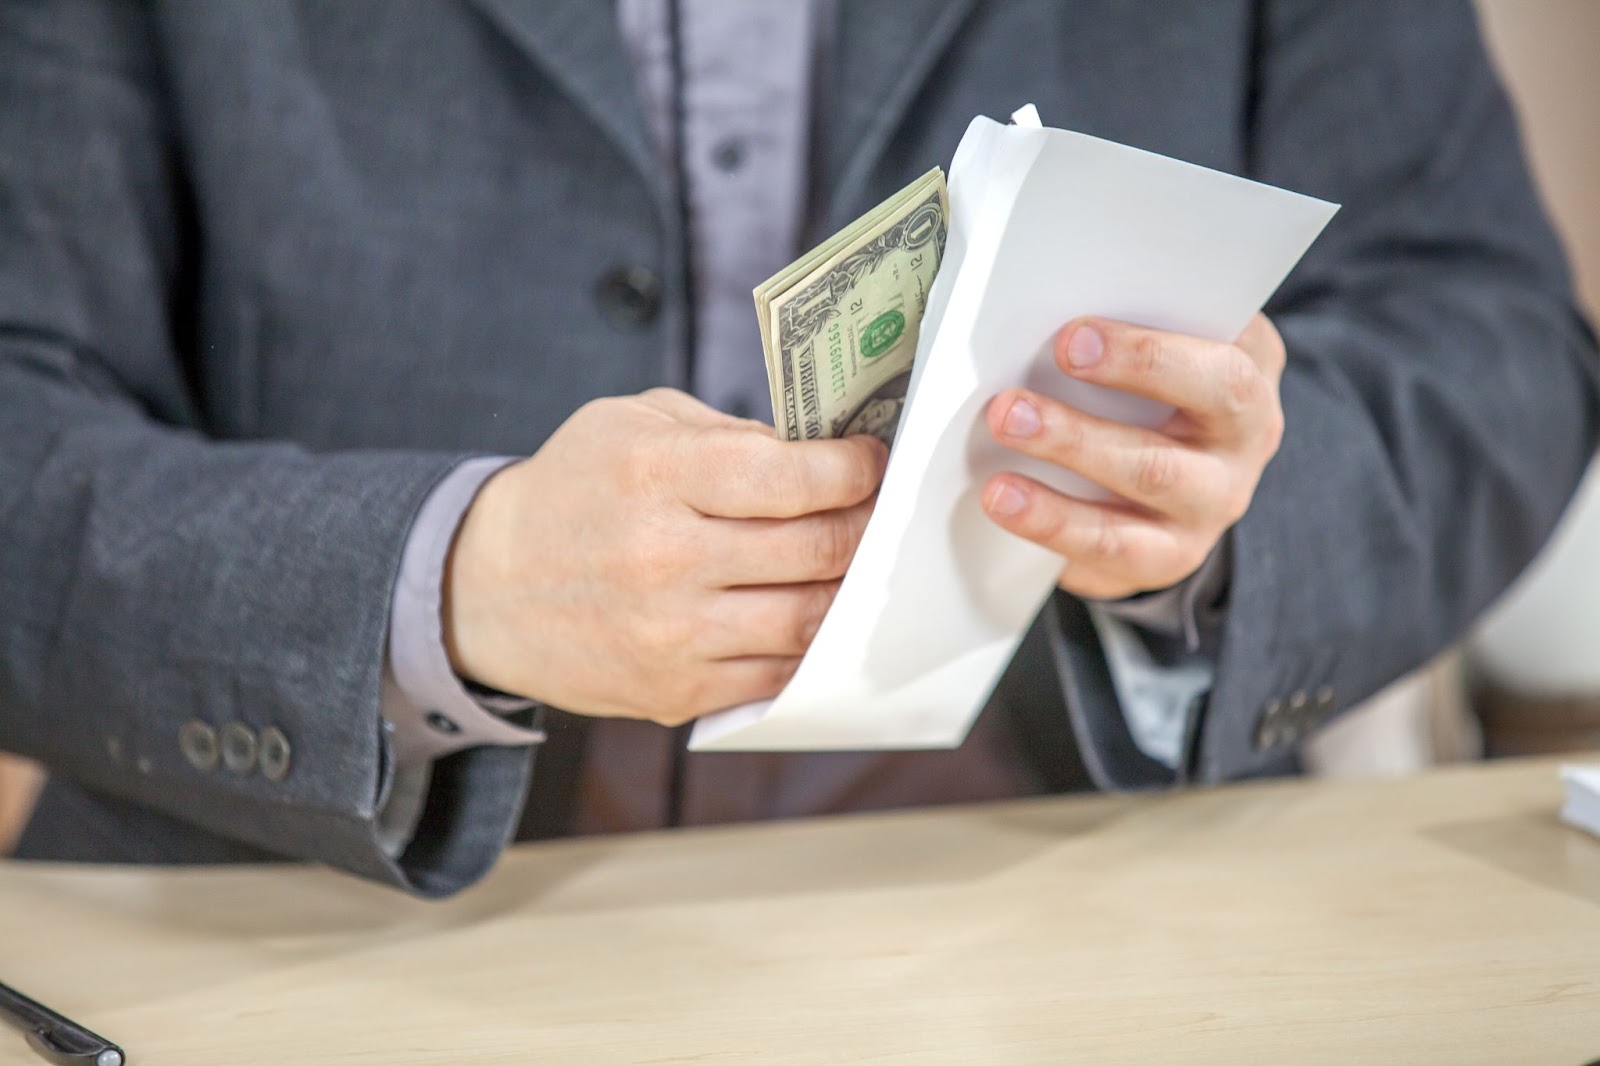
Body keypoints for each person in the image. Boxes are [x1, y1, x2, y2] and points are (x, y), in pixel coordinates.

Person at [1, 1, 1594, 897]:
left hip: (1078, 910)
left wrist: (1218, 529)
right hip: (313, 922)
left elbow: (1501, 339)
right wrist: (437, 583)